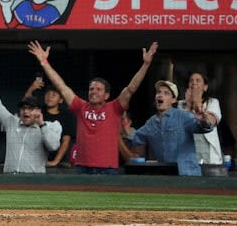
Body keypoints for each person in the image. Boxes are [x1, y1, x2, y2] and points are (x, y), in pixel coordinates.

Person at [27, 40, 159, 174]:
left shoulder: (115, 107)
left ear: (106, 95)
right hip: (82, 167)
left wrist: (146, 64)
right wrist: (44, 62)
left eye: (98, 89)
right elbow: (61, 86)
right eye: (91, 89)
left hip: (108, 168)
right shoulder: (80, 106)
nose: (93, 92)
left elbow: (131, 88)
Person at [128, 80, 217, 176]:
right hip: (166, 176)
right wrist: (123, 131)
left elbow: (202, 128)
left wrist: (204, 120)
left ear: (173, 100)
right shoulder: (150, 123)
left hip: (188, 175)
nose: (160, 95)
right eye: (158, 92)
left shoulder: (183, 116)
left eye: (166, 93)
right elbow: (136, 138)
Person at [0, 65, 61, 174]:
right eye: (23, 108)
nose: (25, 112)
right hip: (10, 179)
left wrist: (41, 124)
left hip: (34, 181)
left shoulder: (50, 126)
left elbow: (53, 146)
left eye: (30, 109)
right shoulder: (12, 122)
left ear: (38, 111)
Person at [24, 78, 76, 167]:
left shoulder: (67, 115)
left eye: (54, 95)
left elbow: (65, 141)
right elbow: (25, 105)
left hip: (58, 161)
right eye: (47, 94)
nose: (50, 97)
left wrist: (55, 162)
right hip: (35, 158)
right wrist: (31, 88)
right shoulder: (38, 110)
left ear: (61, 100)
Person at [178, 71, 223, 166]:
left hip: (208, 151)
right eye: (191, 81)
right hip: (188, 150)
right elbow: (181, 125)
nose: (194, 83)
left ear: (205, 87)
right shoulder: (181, 105)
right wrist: (188, 106)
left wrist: (197, 104)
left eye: (198, 80)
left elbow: (212, 121)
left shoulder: (212, 102)